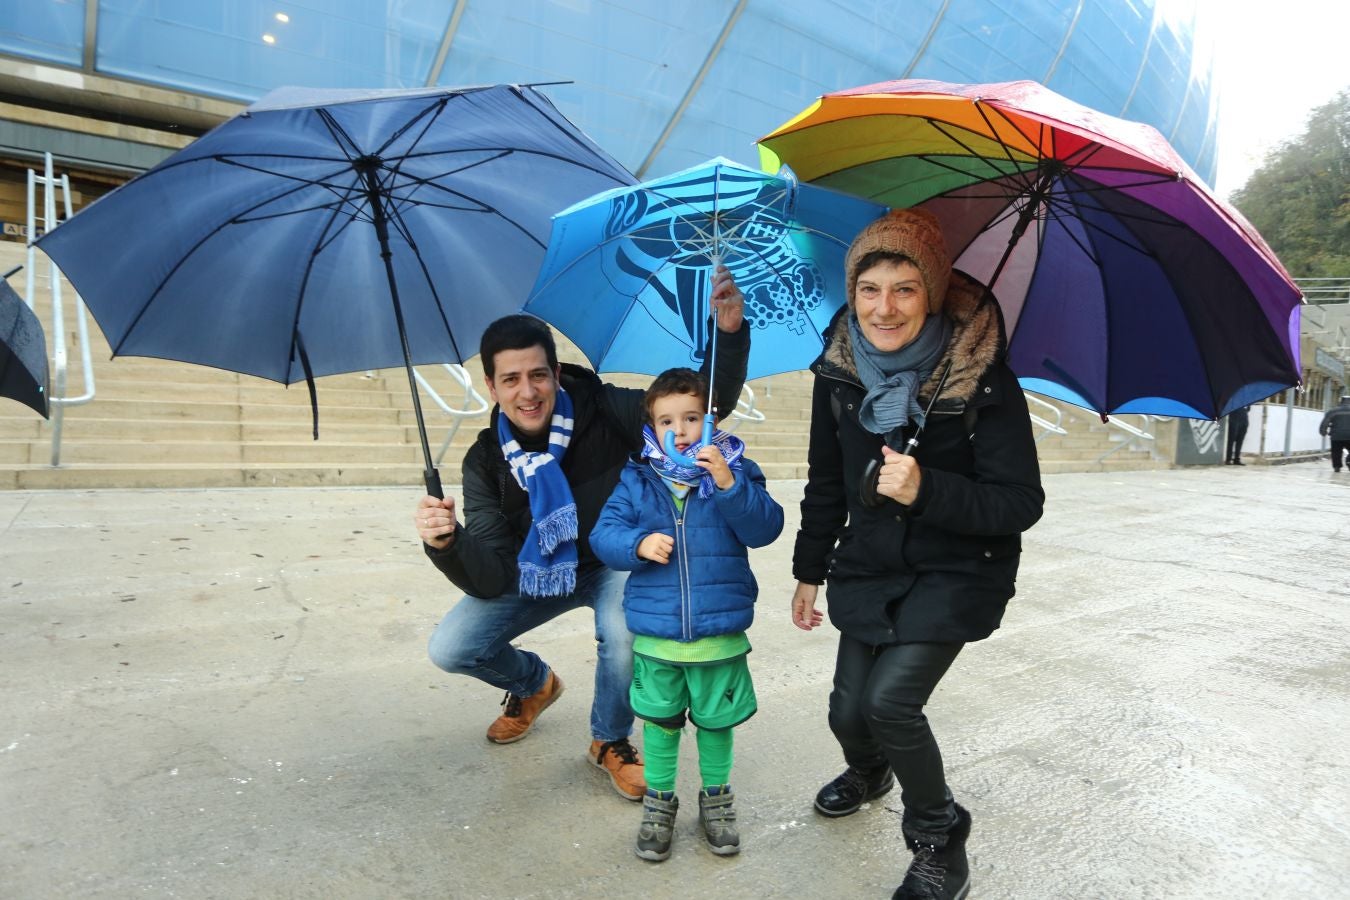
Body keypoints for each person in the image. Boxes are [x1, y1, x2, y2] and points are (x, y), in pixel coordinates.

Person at [413, 271, 747, 802]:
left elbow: (693, 413)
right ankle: (533, 684)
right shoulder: (485, 461)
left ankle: (609, 740)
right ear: (492, 387)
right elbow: (494, 574)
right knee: (450, 648)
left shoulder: (604, 407)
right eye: (511, 380)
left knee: (623, 633)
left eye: (538, 375)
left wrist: (728, 337)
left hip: (617, 558)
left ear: (556, 372)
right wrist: (448, 544)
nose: (528, 392)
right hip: (534, 570)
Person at [788, 209, 1044, 900]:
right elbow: (825, 481)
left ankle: (939, 836)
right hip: (870, 562)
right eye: (870, 289)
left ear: (931, 291)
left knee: (890, 702)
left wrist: (926, 487)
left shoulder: (984, 379)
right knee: (848, 713)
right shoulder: (838, 374)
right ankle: (870, 771)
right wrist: (809, 569)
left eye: (905, 288)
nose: (885, 307)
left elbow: (1020, 502)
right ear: (852, 293)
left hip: (959, 569)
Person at [590, 368, 784, 861]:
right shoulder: (637, 480)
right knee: (659, 722)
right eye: (666, 421)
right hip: (656, 636)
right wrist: (637, 544)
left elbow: (765, 528)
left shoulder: (736, 471)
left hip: (719, 632)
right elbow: (603, 536)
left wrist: (727, 483)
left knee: (717, 722)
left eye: (692, 418)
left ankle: (716, 798)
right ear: (651, 429)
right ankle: (659, 800)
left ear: (710, 420)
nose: (680, 431)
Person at [1320, 393, 1350, 473]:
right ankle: (1349, 462)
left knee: (1336, 452)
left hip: (1336, 436)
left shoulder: (1333, 411)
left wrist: (1323, 431)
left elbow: (1325, 422)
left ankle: (1337, 466)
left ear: (1341, 401)